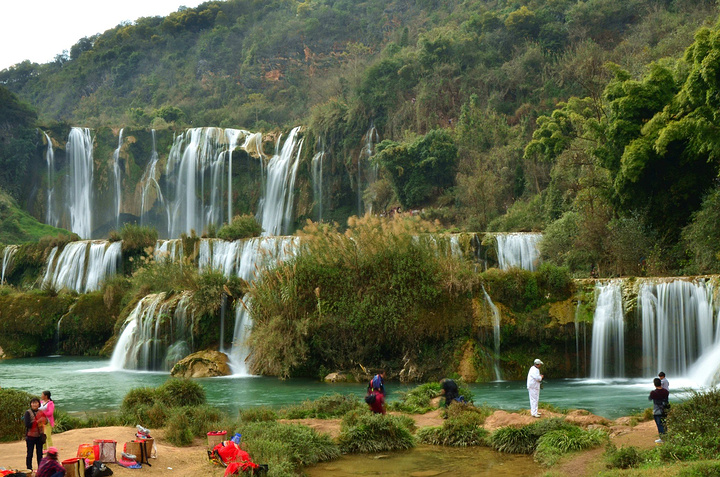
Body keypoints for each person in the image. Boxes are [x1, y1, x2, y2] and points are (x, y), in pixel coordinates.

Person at [24, 397, 47, 471]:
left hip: (39, 436)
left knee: (40, 454)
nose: (34, 404)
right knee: (30, 453)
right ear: (31, 404)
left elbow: (46, 421)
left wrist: (44, 420)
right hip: (30, 436)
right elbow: (27, 425)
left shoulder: (41, 412)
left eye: (36, 403)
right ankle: (29, 469)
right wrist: (37, 421)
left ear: (39, 404)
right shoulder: (28, 412)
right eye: (33, 403)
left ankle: (40, 468)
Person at [649, 377, 670, 443]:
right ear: (661, 383)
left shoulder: (653, 393)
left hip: (657, 410)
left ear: (654, 384)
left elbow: (650, 398)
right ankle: (666, 437)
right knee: (664, 423)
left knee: (659, 424)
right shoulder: (666, 391)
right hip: (665, 410)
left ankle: (662, 439)